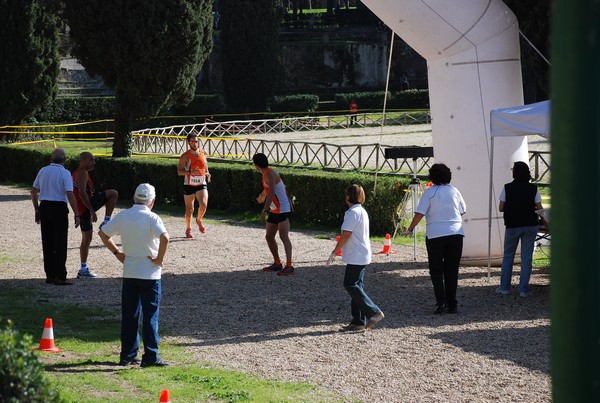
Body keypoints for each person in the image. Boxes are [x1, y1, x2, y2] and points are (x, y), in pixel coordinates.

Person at [98, 183, 170, 367]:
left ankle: (127, 355)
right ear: (152, 201)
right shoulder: (152, 218)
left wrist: (117, 253)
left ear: (135, 198)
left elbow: (103, 233)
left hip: (130, 271)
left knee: (130, 314)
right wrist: (159, 258)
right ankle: (151, 356)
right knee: (150, 315)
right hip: (150, 273)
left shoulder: (123, 215)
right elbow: (165, 237)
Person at [403, 163, 466, 314]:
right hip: (456, 233)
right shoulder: (454, 190)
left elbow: (420, 213)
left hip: (436, 234)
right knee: (452, 269)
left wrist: (410, 229)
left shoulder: (429, 192)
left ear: (432, 177)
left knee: (436, 269)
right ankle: (453, 303)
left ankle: (440, 302)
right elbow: (463, 210)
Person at [327, 184, 384, 331]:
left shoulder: (352, 213)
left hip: (356, 254)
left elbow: (346, 234)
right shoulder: (361, 211)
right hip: (361, 253)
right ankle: (358, 320)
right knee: (357, 286)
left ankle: (373, 311)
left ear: (349, 196)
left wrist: (334, 251)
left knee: (350, 284)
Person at [30, 148, 80, 285]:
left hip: (45, 206)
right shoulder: (65, 173)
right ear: (65, 160)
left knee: (47, 241)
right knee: (60, 242)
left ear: (51, 159)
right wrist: (76, 213)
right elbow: (70, 194)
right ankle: (60, 275)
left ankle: (49, 275)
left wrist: (37, 209)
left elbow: (33, 191)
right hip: (59, 208)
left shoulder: (43, 171)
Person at [495, 161, 543, 298]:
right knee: (526, 258)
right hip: (530, 225)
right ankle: (524, 289)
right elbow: (540, 208)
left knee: (508, 256)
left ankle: (504, 288)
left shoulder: (507, 188)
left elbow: (501, 208)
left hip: (512, 225)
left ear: (514, 173)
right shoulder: (533, 188)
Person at [72, 152, 119, 278]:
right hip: (86, 207)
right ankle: (107, 221)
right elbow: (82, 193)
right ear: (83, 161)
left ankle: (83, 269)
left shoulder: (76, 173)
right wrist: (92, 209)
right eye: (91, 160)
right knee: (113, 193)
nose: (94, 162)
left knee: (86, 239)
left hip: (82, 210)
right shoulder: (82, 173)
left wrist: (77, 213)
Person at [252, 153, 294, 276]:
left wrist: (264, 210)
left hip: (283, 209)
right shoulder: (266, 174)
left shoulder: (270, 173)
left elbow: (271, 193)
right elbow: (268, 189)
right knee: (269, 236)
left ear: (256, 165)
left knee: (283, 236)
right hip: (275, 209)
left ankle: (289, 266)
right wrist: (262, 195)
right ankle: (277, 263)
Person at [177, 132, 211, 238]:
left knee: (204, 205)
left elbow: (205, 165)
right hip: (189, 184)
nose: (195, 143)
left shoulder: (203, 152)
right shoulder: (185, 156)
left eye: (196, 141)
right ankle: (188, 229)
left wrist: (207, 173)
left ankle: (199, 220)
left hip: (201, 182)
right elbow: (179, 172)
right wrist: (190, 173)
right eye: (192, 141)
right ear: (188, 143)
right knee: (189, 209)